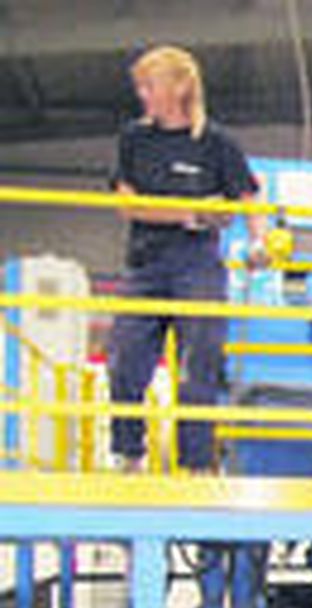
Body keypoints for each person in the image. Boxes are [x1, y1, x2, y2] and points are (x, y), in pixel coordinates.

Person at [108, 45, 267, 474]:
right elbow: (128, 206)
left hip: (198, 264)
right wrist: (193, 212)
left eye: (149, 86)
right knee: (124, 359)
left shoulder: (217, 143)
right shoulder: (134, 139)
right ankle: (128, 454)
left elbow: (249, 198)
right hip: (145, 263)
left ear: (179, 87)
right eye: (140, 86)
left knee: (200, 366)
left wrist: (259, 243)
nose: (142, 94)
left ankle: (197, 465)